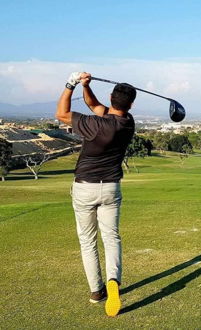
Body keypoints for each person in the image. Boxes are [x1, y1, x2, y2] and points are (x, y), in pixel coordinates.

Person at [55, 72, 136, 317]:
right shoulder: (128, 122)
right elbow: (93, 104)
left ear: (111, 97)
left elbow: (61, 114)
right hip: (111, 187)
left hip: (85, 187)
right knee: (111, 238)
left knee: (88, 241)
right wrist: (85, 86)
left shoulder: (96, 124)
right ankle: (113, 280)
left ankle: (96, 291)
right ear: (130, 104)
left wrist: (70, 84)